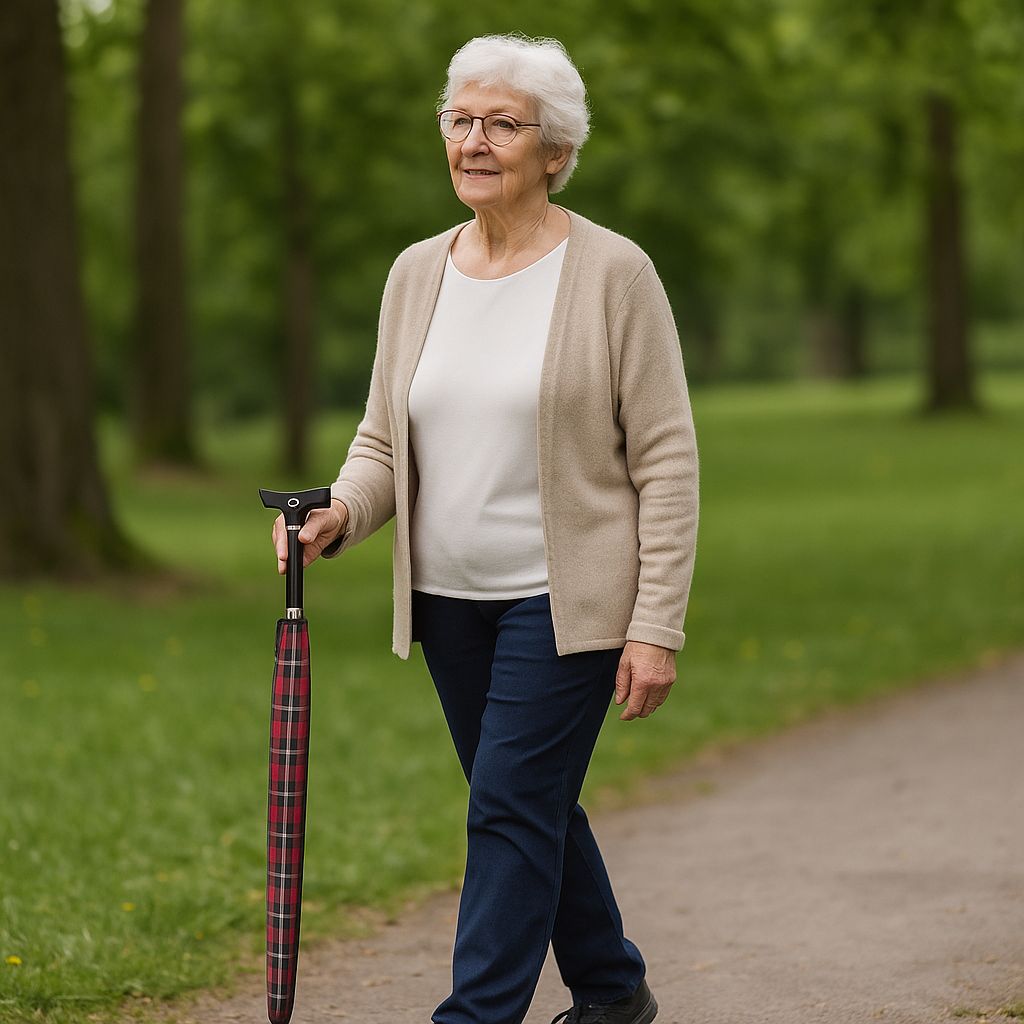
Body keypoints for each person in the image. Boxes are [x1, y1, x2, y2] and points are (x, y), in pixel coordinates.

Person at [272, 32, 699, 1024]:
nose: (474, 140)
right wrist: (341, 509)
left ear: (555, 149)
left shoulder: (613, 274)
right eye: (460, 120)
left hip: (567, 603)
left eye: (502, 123)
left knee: (507, 804)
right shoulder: (417, 273)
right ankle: (612, 989)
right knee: (528, 799)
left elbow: (666, 460)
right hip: (447, 604)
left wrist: (655, 623)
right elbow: (384, 438)